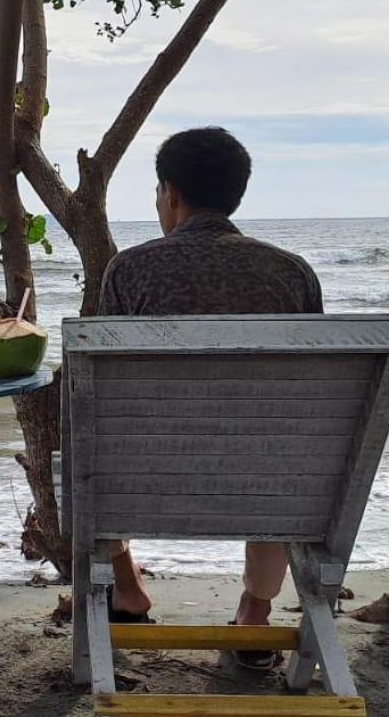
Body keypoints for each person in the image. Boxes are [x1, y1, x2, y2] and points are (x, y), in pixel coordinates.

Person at [97, 127, 323, 670]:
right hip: (270, 488)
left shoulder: (130, 270)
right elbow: (308, 401)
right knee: (282, 452)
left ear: (170, 194)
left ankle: (127, 591)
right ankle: (254, 614)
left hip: (150, 484)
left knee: (92, 448)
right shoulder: (292, 274)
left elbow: (103, 393)